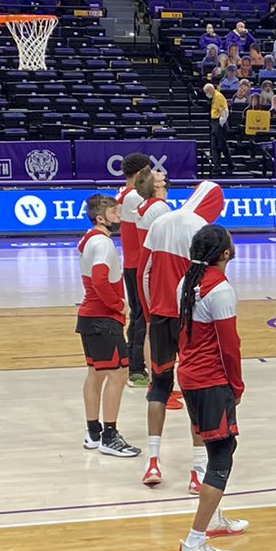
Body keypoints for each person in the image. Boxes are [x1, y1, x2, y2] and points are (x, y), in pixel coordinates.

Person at [141, 179, 226, 489]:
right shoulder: (203, 229)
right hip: (192, 319)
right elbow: (210, 279)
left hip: (161, 314)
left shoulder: (161, 220)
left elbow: (143, 271)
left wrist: (151, 313)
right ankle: (197, 470)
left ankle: (152, 462)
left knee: (159, 388)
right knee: (195, 390)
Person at [174, 224, 249, 551]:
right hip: (210, 379)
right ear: (224, 253)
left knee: (214, 447)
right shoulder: (219, 290)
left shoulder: (186, 281)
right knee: (222, 456)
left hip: (190, 375)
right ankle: (194, 543)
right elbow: (229, 345)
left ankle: (215, 519)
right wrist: (236, 384)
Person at [76, 193, 140, 460]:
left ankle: (93, 432)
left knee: (95, 374)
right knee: (118, 375)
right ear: (101, 218)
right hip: (103, 319)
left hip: (89, 318)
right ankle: (110, 436)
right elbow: (101, 281)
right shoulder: (102, 243)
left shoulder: (88, 239)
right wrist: (119, 305)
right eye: (114, 212)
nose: (119, 215)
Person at [117, 156, 160, 387]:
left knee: (137, 316)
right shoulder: (134, 196)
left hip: (132, 262)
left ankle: (130, 363)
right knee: (142, 317)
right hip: (138, 264)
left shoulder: (125, 194)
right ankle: (136, 369)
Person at [204, 78, 229, 175]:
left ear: (210, 90)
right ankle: (217, 166)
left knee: (221, 145)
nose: (206, 94)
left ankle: (230, 164)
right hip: (215, 122)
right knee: (215, 146)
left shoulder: (218, 96)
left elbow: (224, 110)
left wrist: (221, 123)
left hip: (219, 123)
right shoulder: (214, 97)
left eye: (206, 92)